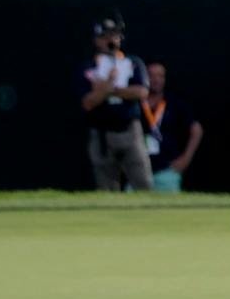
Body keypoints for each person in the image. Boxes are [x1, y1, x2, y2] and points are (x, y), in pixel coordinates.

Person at [80, 17, 153, 191]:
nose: (110, 41)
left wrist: (108, 89)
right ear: (97, 40)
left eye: (114, 36)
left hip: (129, 130)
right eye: (105, 36)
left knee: (143, 182)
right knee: (106, 186)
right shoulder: (89, 66)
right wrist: (108, 86)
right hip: (102, 132)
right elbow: (88, 102)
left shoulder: (133, 62)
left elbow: (141, 91)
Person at [140, 61, 202, 192]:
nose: (155, 80)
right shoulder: (135, 104)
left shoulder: (174, 103)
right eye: (151, 75)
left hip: (167, 168)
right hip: (137, 169)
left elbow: (197, 130)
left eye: (160, 76)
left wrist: (186, 158)